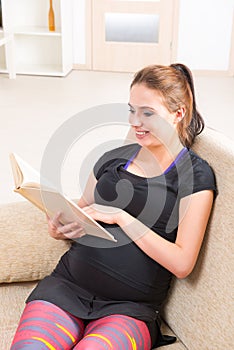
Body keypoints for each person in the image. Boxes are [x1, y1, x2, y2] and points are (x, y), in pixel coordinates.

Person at [11, 63, 217, 350]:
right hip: (66, 287)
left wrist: (124, 218)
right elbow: (82, 210)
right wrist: (61, 227)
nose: (135, 121)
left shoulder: (195, 176)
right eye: (132, 110)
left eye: (148, 113)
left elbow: (183, 263)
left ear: (178, 112)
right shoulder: (114, 158)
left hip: (129, 309)